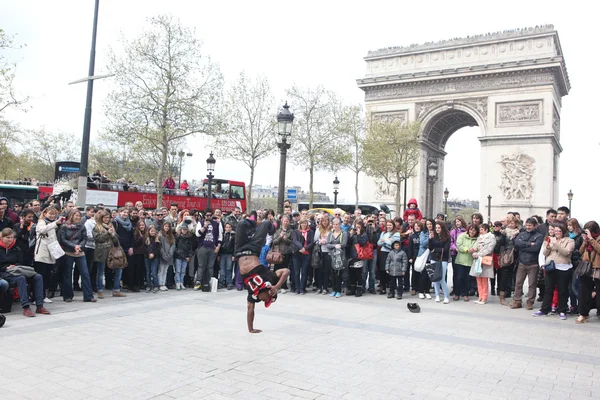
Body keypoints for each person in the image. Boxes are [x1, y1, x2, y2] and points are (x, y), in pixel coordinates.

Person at [235, 217, 289, 333]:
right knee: (266, 223)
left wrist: (251, 329)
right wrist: (277, 286)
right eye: (267, 300)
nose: (264, 301)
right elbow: (286, 271)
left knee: (240, 224)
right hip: (254, 249)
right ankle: (270, 229)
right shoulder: (270, 279)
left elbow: (250, 310)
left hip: (239, 250)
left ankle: (252, 228)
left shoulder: (253, 296)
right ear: (270, 293)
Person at [0, 228, 51, 317]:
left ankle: (40, 305)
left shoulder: (16, 248)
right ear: (2, 238)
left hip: (17, 270)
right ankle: (26, 307)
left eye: (12, 237)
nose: (10, 240)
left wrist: (15, 266)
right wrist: (6, 267)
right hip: (4, 273)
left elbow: (20, 262)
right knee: (21, 279)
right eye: (8, 238)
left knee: (37, 276)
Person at [533, 223, 574, 319]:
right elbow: (545, 253)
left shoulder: (569, 241)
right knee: (548, 289)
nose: (557, 233)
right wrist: (547, 247)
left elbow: (566, 252)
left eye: (559, 231)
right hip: (551, 267)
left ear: (563, 232)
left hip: (564, 268)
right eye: (555, 231)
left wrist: (556, 245)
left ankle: (562, 310)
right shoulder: (549, 238)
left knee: (562, 290)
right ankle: (544, 309)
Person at [59, 209, 96, 303]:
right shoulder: (64, 227)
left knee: (85, 273)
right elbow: (63, 239)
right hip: (68, 251)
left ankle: (88, 295)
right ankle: (68, 295)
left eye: (79, 216)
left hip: (80, 252)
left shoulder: (82, 227)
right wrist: (74, 246)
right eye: (76, 215)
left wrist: (79, 246)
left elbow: (84, 238)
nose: (78, 217)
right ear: (71, 216)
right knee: (67, 274)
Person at [510, 218, 544, 310]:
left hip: (533, 264)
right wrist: (530, 244)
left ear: (535, 226)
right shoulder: (522, 234)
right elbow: (517, 243)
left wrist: (524, 245)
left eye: (530, 225)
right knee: (518, 283)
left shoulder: (539, 236)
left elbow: (536, 248)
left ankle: (530, 302)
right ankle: (517, 301)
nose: (528, 227)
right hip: (521, 262)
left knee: (532, 284)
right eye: (527, 225)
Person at [93, 210, 126, 298]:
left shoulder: (111, 226)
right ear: (101, 218)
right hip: (102, 251)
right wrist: (108, 233)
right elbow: (98, 239)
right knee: (100, 271)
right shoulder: (97, 227)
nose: (107, 219)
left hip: (113, 251)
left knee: (119, 269)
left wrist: (113, 234)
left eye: (108, 217)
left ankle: (116, 290)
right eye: (105, 217)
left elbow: (116, 240)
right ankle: (99, 290)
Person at [575, 221, 600, 324]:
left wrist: (591, 240)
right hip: (586, 268)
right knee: (584, 292)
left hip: (598, 268)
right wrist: (585, 241)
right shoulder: (586, 239)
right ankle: (583, 314)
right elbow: (580, 252)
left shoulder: (597, 238)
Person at [194, 209, 222, 291]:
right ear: (205, 216)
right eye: (207, 215)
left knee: (210, 266)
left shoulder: (217, 224)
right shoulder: (201, 223)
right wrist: (204, 226)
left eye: (210, 215)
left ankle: (208, 282)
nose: (209, 217)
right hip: (203, 246)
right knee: (201, 265)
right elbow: (197, 234)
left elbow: (220, 236)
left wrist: (218, 246)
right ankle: (198, 281)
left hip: (212, 247)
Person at [469, 223, 496, 305]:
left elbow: (489, 249)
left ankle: (484, 297)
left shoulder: (491, 237)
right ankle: (480, 297)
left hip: (485, 259)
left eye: (481, 229)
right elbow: (475, 246)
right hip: (477, 260)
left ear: (486, 229)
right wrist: (473, 250)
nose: (480, 231)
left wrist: (479, 254)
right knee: (478, 278)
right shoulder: (479, 238)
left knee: (484, 278)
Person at [497, 216, 520, 305]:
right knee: (504, 275)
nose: (511, 225)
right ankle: (502, 296)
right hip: (506, 256)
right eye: (509, 223)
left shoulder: (519, 233)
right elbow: (500, 243)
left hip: (516, 256)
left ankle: (514, 295)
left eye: (513, 223)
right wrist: (502, 235)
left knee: (514, 276)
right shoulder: (504, 232)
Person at [428, 221, 451, 303]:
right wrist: (430, 239)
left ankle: (446, 296)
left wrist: (436, 249)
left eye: (439, 228)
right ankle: (437, 295)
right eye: (436, 228)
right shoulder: (433, 236)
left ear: (442, 228)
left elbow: (446, 249)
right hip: (434, 258)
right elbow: (430, 248)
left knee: (441, 278)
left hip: (443, 259)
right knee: (435, 278)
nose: (437, 229)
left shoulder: (447, 237)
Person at [455, 224, 479, 302]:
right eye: (471, 229)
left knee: (467, 279)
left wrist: (474, 249)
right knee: (459, 278)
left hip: (470, 261)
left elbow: (478, 247)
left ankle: (466, 294)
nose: (472, 232)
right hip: (460, 261)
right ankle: (457, 293)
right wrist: (466, 249)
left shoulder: (477, 239)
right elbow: (459, 245)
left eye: (474, 230)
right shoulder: (462, 236)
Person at [325, 218, 348, 298]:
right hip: (331, 256)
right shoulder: (330, 233)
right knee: (332, 273)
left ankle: (338, 290)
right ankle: (334, 290)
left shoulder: (343, 233)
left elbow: (344, 243)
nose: (335, 226)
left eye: (337, 224)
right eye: (334, 224)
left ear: (339, 225)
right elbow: (327, 244)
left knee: (338, 273)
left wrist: (340, 245)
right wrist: (334, 246)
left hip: (340, 257)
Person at [377, 220, 401, 295]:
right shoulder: (383, 233)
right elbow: (379, 243)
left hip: (391, 253)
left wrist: (385, 240)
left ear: (393, 225)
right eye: (387, 225)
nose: (388, 227)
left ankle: (391, 288)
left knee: (390, 271)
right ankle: (383, 287)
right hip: (383, 253)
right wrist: (388, 241)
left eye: (390, 225)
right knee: (382, 270)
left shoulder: (396, 233)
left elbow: (394, 243)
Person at [272, 215, 293, 293]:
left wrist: (286, 239)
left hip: (286, 253)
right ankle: (275, 285)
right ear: (282, 221)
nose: (285, 222)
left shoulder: (291, 231)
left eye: (287, 221)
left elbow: (292, 242)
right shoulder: (277, 230)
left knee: (285, 269)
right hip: (278, 253)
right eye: (284, 221)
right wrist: (280, 237)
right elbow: (274, 242)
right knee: (277, 269)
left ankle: (283, 285)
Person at [314, 214, 332, 294]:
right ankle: (319, 286)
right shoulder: (318, 229)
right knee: (319, 270)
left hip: (328, 252)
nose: (325, 222)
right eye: (323, 221)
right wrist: (320, 241)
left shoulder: (331, 229)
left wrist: (327, 241)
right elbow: (315, 240)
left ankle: (325, 287)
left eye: (326, 221)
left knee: (326, 270)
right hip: (320, 251)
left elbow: (333, 239)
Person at [174, 223, 195, 290]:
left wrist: (189, 256)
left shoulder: (189, 237)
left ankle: (181, 282)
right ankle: (177, 282)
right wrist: (183, 256)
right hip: (179, 256)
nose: (184, 231)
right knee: (178, 270)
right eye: (183, 229)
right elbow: (176, 248)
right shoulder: (177, 237)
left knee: (183, 271)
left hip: (186, 256)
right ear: (181, 229)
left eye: (185, 229)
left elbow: (191, 248)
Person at [449, 216, 467, 296]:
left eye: (459, 221)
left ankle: (463, 289)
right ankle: (455, 289)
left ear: (462, 222)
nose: (457, 223)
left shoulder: (466, 231)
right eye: (456, 222)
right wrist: (455, 248)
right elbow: (451, 242)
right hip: (455, 253)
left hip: (464, 254)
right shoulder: (453, 231)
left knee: (463, 272)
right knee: (455, 272)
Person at [158, 221, 175, 291]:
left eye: (168, 226)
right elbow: (159, 246)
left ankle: (163, 283)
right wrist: (164, 254)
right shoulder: (160, 235)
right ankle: (160, 284)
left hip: (169, 256)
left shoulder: (171, 236)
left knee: (165, 271)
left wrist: (170, 254)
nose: (167, 228)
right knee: (161, 270)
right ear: (163, 227)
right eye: (165, 226)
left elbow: (173, 245)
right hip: (162, 256)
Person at [218, 222, 235, 290]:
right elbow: (219, 244)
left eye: (229, 227)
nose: (228, 228)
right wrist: (218, 255)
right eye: (227, 227)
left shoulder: (233, 236)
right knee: (222, 269)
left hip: (229, 254)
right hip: (222, 253)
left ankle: (229, 282)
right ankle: (221, 282)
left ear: (231, 228)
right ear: (224, 228)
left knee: (229, 268)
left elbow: (234, 246)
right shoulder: (222, 235)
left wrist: (234, 255)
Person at [144, 225, 161, 293]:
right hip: (147, 257)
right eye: (151, 231)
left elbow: (158, 249)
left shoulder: (157, 240)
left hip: (155, 257)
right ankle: (148, 285)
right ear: (149, 231)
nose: (152, 232)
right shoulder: (146, 239)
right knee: (148, 272)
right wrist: (149, 254)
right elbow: (144, 248)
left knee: (154, 272)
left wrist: (153, 254)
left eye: (154, 231)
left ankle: (156, 285)